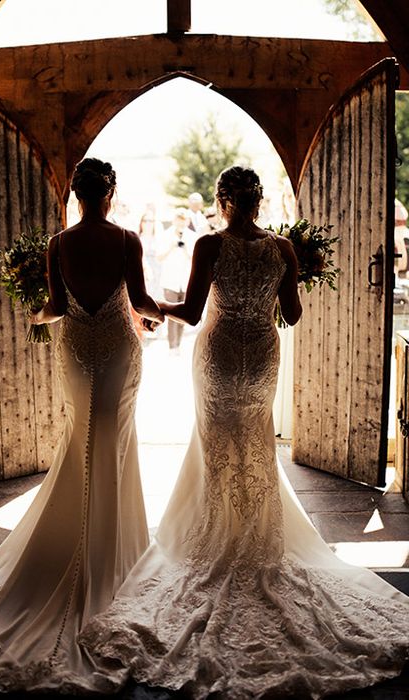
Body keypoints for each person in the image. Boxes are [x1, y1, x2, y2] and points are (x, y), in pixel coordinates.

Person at [80, 166, 409, 698]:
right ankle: (254, 539)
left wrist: (143, 309)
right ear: (256, 202)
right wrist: (289, 278)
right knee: (257, 446)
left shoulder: (210, 245)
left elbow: (189, 311)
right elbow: (294, 315)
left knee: (219, 449)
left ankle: (220, 538)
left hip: (216, 356)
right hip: (260, 357)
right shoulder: (282, 248)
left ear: (223, 201)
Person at [0, 157, 164, 697]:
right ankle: (113, 554)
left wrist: (33, 314)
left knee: (82, 440)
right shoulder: (127, 241)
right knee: (110, 443)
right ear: (109, 195)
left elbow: (52, 308)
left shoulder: (57, 244)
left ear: (76, 195)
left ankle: (80, 543)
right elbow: (139, 303)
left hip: (76, 352)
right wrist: (158, 314)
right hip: (117, 349)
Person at [157, 208, 195, 354]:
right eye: (178, 219)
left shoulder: (192, 236)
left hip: (185, 281)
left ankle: (178, 343)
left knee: (184, 314)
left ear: (187, 221)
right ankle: (172, 345)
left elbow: (195, 260)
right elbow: (159, 257)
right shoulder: (166, 235)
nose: (181, 223)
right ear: (174, 220)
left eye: (183, 220)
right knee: (172, 314)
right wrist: (171, 246)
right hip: (170, 281)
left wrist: (185, 249)